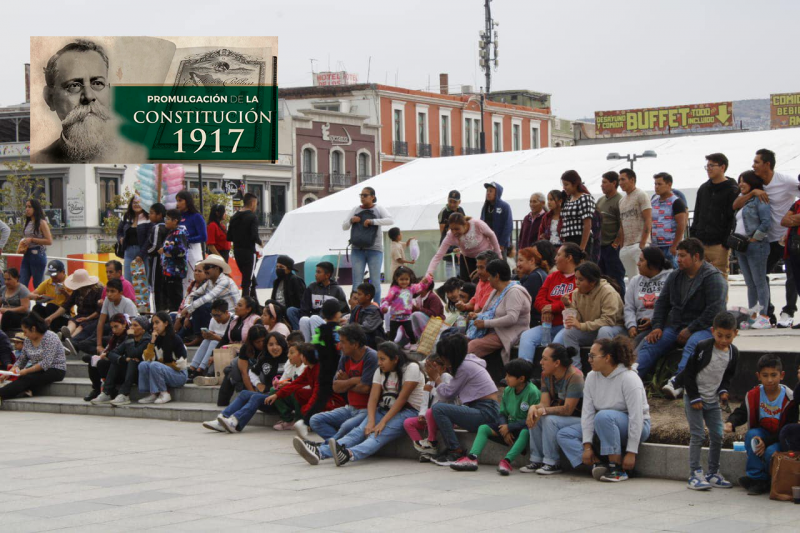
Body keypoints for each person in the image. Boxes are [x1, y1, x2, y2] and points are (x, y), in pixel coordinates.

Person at [293, 341, 423, 467]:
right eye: (378, 359)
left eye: (383, 359)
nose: (379, 363)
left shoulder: (411, 368)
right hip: (384, 409)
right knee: (358, 432)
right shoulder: (381, 370)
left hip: (408, 411)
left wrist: (382, 422)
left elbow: (402, 399)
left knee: (377, 436)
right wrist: (371, 420)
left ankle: (348, 454)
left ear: (395, 359)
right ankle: (320, 452)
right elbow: (373, 397)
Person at [636, 239, 727, 396]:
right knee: (652, 341)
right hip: (677, 326)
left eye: (682, 256)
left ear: (696, 256)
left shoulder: (713, 277)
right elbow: (662, 303)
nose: (677, 259)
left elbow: (714, 311)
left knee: (692, 345)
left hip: (705, 327)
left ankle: (678, 381)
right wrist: (657, 326)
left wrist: (690, 329)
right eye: (678, 255)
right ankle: (632, 376)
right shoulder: (675, 276)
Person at [556, 336, 650, 482]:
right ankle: (599, 464)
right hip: (604, 424)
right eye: (589, 356)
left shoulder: (629, 378)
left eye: (593, 356)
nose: (589, 360)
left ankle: (616, 467)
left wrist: (631, 452)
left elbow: (636, 417)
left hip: (636, 426)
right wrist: (587, 447)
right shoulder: (592, 377)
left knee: (603, 416)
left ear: (607, 358)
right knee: (564, 434)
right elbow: (587, 413)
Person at [736, 149, 798, 327]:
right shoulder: (755, 183)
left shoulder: (785, 181)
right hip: (765, 241)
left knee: (792, 275)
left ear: (767, 164)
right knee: (760, 277)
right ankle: (767, 314)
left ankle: (788, 312)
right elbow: (736, 203)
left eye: (756, 162)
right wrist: (752, 193)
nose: (753, 165)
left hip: (786, 237)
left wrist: (793, 220)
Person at [679, 312, 738, 491]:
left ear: (736, 333)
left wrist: (723, 391)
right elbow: (688, 373)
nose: (723, 340)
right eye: (719, 335)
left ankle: (713, 472)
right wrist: (695, 396)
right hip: (694, 397)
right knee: (698, 435)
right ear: (713, 331)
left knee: (717, 435)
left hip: (712, 400)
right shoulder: (703, 347)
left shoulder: (734, 353)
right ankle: (695, 473)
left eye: (728, 336)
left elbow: (727, 376)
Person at [450, 359, 540, 475]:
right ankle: (472, 458)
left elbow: (531, 420)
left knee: (525, 432)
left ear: (521, 379)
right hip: (507, 427)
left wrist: (510, 427)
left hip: (521, 427)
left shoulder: (533, 392)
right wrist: (505, 428)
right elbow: (502, 413)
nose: (505, 378)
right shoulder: (508, 390)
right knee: (483, 428)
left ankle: (506, 462)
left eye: (509, 376)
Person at [725, 354, 797, 495]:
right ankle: (757, 478)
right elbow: (742, 412)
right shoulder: (753, 394)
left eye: (773, 375)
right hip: (761, 434)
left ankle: (765, 480)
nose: (769, 380)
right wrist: (731, 422)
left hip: (779, 438)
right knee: (753, 437)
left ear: (782, 375)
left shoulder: (790, 399)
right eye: (765, 375)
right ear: (758, 376)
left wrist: (767, 442)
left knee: (770, 452)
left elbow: (788, 429)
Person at [34, 39, 115, 163]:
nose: (88, 96)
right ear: (49, 98)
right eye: (74, 86)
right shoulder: (38, 160)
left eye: (97, 83)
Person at [427, 334, 499, 466]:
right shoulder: (467, 362)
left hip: (486, 412)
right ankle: (452, 448)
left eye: (444, 356)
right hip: (483, 409)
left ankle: (455, 450)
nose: (442, 359)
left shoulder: (464, 367)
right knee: (441, 409)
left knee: (438, 409)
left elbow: (447, 394)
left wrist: (436, 378)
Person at [306, 324, 379, 444]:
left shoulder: (371, 357)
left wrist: (346, 381)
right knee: (315, 420)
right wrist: (353, 380)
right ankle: (341, 445)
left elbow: (366, 388)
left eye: (343, 342)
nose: (339, 346)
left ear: (355, 344)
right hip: (350, 408)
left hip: (366, 410)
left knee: (346, 426)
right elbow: (335, 387)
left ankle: (325, 447)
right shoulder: (345, 357)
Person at [522, 343, 584, 475]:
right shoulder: (546, 375)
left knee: (549, 419)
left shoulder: (575, 376)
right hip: (561, 417)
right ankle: (536, 459)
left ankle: (552, 462)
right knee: (536, 414)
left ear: (557, 363)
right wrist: (534, 407)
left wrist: (543, 411)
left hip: (579, 420)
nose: (540, 362)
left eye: (545, 359)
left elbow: (568, 409)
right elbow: (545, 403)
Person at [517, 243, 583, 362]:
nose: (555, 259)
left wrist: (551, 308)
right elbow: (538, 300)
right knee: (526, 336)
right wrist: (545, 309)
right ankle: (522, 374)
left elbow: (575, 301)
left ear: (569, 258)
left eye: (559, 255)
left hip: (568, 326)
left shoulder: (580, 277)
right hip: (548, 324)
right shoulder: (552, 276)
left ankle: (551, 378)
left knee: (555, 346)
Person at [558, 262, 626, 369]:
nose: (577, 283)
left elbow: (608, 320)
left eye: (581, 280)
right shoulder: (576, 293)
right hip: (594, 328)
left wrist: (582, 326)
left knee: (604, 330)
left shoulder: (607, 292)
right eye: (576, 279)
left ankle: (603, 366)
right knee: (569, 333)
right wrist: (568, 305)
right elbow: (579, 318)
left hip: (615, 329)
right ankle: (576, 370)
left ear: (593, 282)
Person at [266, 342, 345, 430]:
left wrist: (307, 412)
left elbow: (317, 394)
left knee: (309, 406)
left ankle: (312, 422)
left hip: (332, 400)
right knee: (298, 392)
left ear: (305, 357)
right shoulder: (309, 369)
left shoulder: (319, 370)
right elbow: (295, 384)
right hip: (320, 398)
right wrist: (277, 395)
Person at [466, 259, 531, 366]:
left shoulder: (515, 292)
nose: (488, 279)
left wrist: (485, 323)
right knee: (460, 342)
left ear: (496, 276)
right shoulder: (496, 290)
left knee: (472, 346)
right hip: (491, 330)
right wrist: (476, 315)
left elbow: (512, 318)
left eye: (490, 276)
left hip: (506, 333)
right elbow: (488, 313)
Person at [690, 153, 739, 280]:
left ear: (722, 167)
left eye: (712, 165)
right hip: (701, 241)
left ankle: (720, 301)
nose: (709, 169)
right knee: (699, 278)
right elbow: (697, 214)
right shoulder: (703, 188)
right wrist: (694, 237)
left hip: (719, 244)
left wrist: (725, 241)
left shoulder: (732, 189)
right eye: (707, 166)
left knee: (719, 278)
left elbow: (732, 217)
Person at [342, 187, 394, 301]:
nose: (362, 197)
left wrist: (373, 221)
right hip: (357, 249)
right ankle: (357, 308)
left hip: (374, 249)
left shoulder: (378, 208)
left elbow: (390, 220)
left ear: (373, 197)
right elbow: (344, 226)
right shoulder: (355, 209)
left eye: (365, 195)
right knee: (356, 281)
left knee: (375, 281)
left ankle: (376, 307)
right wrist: (351, 221)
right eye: (361, 195)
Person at [0, 313, 66, 402]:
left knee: (27, 378)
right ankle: (26, 391)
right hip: (37, 369)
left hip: (55, 369)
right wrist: (9, 373)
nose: (24, 334)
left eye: (25, 331)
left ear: (33, 329)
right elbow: (21, 360)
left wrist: (26, 371)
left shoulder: (50, 337)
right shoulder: (27, 341)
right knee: (25, 378)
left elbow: (46, 363)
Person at [735, 171, 772, 328]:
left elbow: (766, 222)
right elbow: (734, 205)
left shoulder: (760, 199)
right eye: (740, 181)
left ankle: (764, 316)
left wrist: (754, 238)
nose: (741, 184)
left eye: (745, 181)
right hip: (741, 246)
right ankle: (752, 314)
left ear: (753, 182)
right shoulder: (744, 200)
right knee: (750, 283)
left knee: (759, 281)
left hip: (756, 245)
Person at [216, 325, 283, 407]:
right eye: (258, 342)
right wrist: (253, 394)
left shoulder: (271, 347)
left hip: (265, 372)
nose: (261, 344)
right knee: (231, 369)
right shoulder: (246, 348)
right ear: (252, 342)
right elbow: (244, 373)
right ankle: (223, 401)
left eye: (263, 340)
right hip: (250, 372)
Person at [405, 355, 454, 459]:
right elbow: (424, 403)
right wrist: (422, 415)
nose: (429, 370)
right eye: (427, 367)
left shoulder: (446, 377)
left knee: (431, 411)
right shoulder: (429, 382)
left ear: (443, 368)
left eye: (433, 367)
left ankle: (432, 441)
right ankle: (425, 451)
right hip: (430, 419)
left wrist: (431, 390)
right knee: (408, 422)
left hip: (444, 418)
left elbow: (445, 398)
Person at [427, 213, 501, 283]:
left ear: (465, 225)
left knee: (487, 281)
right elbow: (439, 255)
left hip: (486, 257)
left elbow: (491, 235)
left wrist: (498, 255)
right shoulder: (450, 235)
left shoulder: (477, 224)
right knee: (466, 284)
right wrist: (429, 273)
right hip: (468, 259)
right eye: (452, 229)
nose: (454, 232)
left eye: (457, 229)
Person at [624, 247, 672, 352]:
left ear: (652, 264)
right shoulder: (635, 281)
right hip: (636, 327)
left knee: (634, 349)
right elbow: (629, 307)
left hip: (658, 326)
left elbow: (671, 307)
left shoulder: (670, 278)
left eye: (641, 260)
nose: (638, 264)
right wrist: (631, 325)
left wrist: (653, 321)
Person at [179, 255, 241, 335]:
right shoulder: (209, 282)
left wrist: (188, 309)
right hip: (216, 314)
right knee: (177, 317)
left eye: (207, 268)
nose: (205, 271)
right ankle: (179, 338)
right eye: (204, 268)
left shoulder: (225, 281)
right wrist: (187, 310)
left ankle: (198, 336)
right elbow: (192, 295)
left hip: (229, 315)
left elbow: (207, 298)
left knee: (202, 305)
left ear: (217, 268)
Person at [288, 261, 349, 341]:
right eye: (316, 272)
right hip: (312, 317)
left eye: (318, 272)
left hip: (327, 320)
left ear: (327, 275)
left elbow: (344, 310)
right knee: (301, 317)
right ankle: (305, 345)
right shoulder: (311, 287)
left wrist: (336, 319)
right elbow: (305, 308)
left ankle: (316, 345)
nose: (315, 274)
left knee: (314, 318)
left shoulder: (337, 290)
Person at [98, 315, 151, 406]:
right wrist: (123, 359)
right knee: (117, 361)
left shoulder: (147, 340)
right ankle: (107, 392)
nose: (131, 328)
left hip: (140, 374)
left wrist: (130, 337)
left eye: (135, 325)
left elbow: (133, 354)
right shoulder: (129, 339)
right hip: (128, 371)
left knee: (133, 361)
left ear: (143, 329)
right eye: (131, 325)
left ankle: (124, 394)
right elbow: (112, 353)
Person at [137, 311, 187, 405]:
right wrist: (152, 342)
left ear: (166, 323)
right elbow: (146, 359)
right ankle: (153, 393)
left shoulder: (175, 339)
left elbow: (182, 364)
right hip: (163, 370)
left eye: (157, 322)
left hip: (179, 375)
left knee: (155, 365)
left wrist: (162, 365)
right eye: (153, 324)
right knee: (143, 365)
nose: (154, 326)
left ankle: (164, 393)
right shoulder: (156, 339)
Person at [380, 267, 433, 347]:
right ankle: (390, 346)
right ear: (396, 279)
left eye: (406, 279)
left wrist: (427, 279)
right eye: (401, 279)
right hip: (395, 317)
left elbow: (421, 286)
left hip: (406, 316)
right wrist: (384, 307)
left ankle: (413, 344)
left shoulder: (411, 288)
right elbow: (387, 300)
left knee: (410, 331)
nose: (404, 281)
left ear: (409, 279)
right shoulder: (394, 290)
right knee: (392, 333)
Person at [617, 169, 652, 281]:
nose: (620, 183)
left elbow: (648, 218)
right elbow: (622, 223)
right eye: (619, 180)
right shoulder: (621, 201)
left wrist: (642, 243)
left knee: (644, 278)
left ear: (632, 180)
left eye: (623, 179)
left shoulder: (641, 195)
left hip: (639, 244)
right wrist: (622, 246)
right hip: (626, 246)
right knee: (633, 280)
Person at [86, 313, 129, 402]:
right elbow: (108, 349)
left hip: (123, 366)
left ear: (124, 324)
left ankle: (108, 390)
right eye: (112, 327)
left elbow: (122, 353)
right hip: (112, 362)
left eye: (116, 326)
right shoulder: (114, 338)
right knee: (92, 361)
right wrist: (104, 354)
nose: (114, 330)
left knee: (102, 363)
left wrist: (108, 355)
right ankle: (96, 389)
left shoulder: (128, 336)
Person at [227, 192, 263, 298]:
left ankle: (254, 302)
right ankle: (246, 303)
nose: (256, 207)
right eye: (256, 204)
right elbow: (254, 236)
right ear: (252, 203)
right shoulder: (252, 217)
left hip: (237, 251)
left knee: (249, 277)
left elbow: (229, 237)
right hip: (248, 252)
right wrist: (261, 243)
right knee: (248, 281)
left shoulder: (234, 217)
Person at [650, 172, 688, 269]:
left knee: (674, 272)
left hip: (669, 246)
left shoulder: (676, 202)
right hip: (655, 246)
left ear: (669, 184)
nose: (656, 187)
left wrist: (675, 245)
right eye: (655, 184)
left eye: (659, 184)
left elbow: (681, 224)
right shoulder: (653, 200)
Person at [187, 298, 231, 379]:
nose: (215, 318)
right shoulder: (213, 320)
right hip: (216, 343)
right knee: (206, 340)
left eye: (218, 315)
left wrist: (215, 337)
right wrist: (206, 335)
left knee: (213, 341)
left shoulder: (233, 320)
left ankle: (201, 369)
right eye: (213, 315)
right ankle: (193, 367)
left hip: (227, 346)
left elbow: (230, 340)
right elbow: (211, 334)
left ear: (226, 312)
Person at [596, 171, 625, 292]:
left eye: (604, 182)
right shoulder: (600, 200)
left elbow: (623, 223)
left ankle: (620, 304)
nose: (601, 185)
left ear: (614, 183)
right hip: (600, 247)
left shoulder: (620, 200)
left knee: (615, 279)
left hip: (612, 247)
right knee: (601, 279)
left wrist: (616, 242)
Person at [53, 269, 103, 340]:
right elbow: (67, 304)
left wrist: (87, 318)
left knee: (81, 326)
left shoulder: (98, 291)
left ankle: (70, 339)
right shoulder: (77, 290)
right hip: (80, 316)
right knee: (72, 321)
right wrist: (51, 318)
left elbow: (99, 311)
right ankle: (67, 332)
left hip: (93, 317)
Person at [515, 242, 556, 327]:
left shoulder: (535, 277)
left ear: (532, 261)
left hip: (534, 322)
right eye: (517, 261)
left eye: (521, 260)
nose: (518, 265)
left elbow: (520, 302)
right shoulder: (537, 274)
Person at [175, 190, 207, 293]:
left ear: (187, 201)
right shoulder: (178, 217)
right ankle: (184, 304)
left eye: (180, 201)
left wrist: (187, 240)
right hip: (180, 253)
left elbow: (203, 236)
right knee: (183, 281)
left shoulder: (196, 216)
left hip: (193, 253)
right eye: (177, 201)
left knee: (194, 279)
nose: (178, 203)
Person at [18, 199, 53, 289]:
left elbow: (49, 241)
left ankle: (39, 303)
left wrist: (32, 239)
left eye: (29, 207)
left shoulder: (42, 223)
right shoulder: (28, 222)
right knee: (22, 282)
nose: (27, 209)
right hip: (27, 253)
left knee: (37, 284)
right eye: (26, 207)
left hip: (37, 254)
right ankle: (24, 302)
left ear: (35, 208)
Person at [29, 260, 72, 333]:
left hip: (65, 313)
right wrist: (36, 297)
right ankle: (37, 330)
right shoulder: (47, 283)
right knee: (37, 308)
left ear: (63, 272)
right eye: (51, 275)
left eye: (55, 275)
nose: (53, 277)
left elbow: (73, 301)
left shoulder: (70, 282)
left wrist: (65, 293)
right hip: (50, 310)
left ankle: (54, 331)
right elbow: (30, 295)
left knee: (50, 306)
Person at [559, 171, 596, 254]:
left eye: (566, 184)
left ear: (575, 184)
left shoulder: (584, 198)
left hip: (579, 238)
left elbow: (587, 224)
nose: (564, 188)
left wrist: (582, 248)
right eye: (563, 185)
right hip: (569, 240)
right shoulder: (568, 199)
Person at [160, 208, 189, 312]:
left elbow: (182, 251)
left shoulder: (179, 233)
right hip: (168, 271)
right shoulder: (171, 233)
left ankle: (176, 317)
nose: (165, 221)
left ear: (175, 220)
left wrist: (166, 249)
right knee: (168, 298)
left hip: (175, 272)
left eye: (167, 218)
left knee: (175, 299)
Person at [116, 196, 148, 283]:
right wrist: (121, 239)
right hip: (128, 252)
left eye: (139, 202)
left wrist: (141, 254)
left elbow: (149, 238)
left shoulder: (147, 218)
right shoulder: (127, 216)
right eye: (134, 202)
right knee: (128, 281)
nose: (136, 205)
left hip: (143, 253)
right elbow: (119, 231)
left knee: (142, 283)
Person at [480, 182, 513, 259]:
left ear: (497, 193)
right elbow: (481, 223)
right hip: (487, 244)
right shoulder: (485, 207)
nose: (488, 193)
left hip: (500, 244)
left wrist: (501, 244)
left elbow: (508, 226)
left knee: (500, 266)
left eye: (491, 191)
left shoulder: (505, 206)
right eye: (487, 191)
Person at [438, 190, 466, 278]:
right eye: (450, 201)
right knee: (450, 266)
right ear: (447, 200)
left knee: (461, 271)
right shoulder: (444, 212)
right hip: (450, 243)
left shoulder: (461, 210)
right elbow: (443, 232)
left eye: (455, 202)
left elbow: (464, 226)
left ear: (459, 202)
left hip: (460, 243)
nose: (452, 204)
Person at [347, 283, 385, 348]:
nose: (357, 297)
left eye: (359, 294)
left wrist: (350, 328)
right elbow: (351, 323)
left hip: (372, 343)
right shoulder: (357, 308)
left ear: (367, 296)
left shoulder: (374, 311)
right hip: (359, 338)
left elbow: (366, 328)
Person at [145, 203, 168, 310]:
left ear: (159, 215)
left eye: (152, 213)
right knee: (163, 287)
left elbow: (155, 246)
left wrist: (146, 253)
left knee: (155, 286)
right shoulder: (168, 226)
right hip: (166, 262)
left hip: (156, 260)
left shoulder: (157, 227)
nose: (149, 215)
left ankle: (158, 310)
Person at [1, 268, 31, 333]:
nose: (6, 282)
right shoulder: (3, 288)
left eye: (9, 279)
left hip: (21, 316)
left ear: (16, 278)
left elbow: (25, 308)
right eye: (5, 279)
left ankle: (3, 336)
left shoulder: (22, 289)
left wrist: (7, 310)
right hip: (5, 314)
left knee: (8, 314)